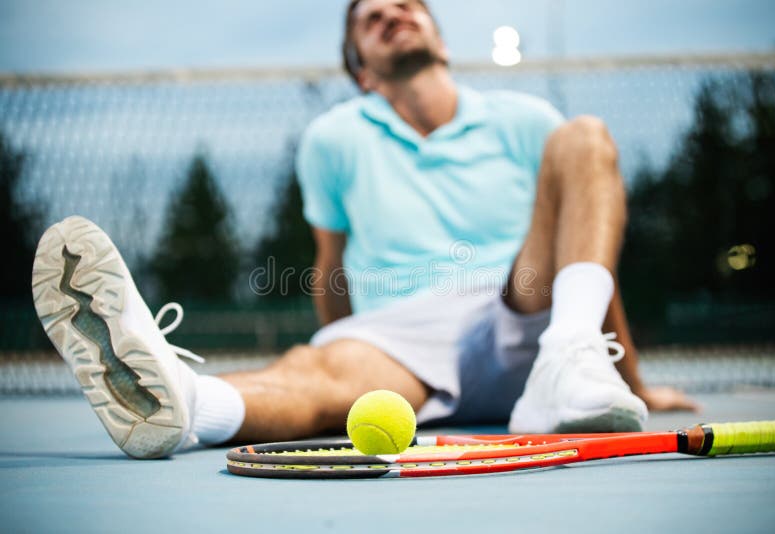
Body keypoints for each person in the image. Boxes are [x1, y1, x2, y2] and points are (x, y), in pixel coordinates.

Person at [31, 0, 696, 459]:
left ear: (439, 37)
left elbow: (586, 247)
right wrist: (338, 346)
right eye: (372, 20)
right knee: (318, 373)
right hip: (405, 330)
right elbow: (330, 266)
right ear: (361, 69)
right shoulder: (333, 138)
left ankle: (573, 366)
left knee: (585, 138)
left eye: (407, 7)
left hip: (526, 305)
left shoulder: (526, 118)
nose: (392, 16)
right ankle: (182, 403)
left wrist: (630, 385)